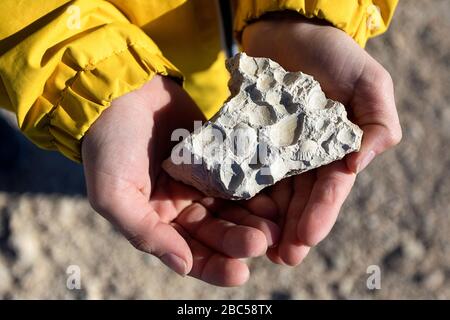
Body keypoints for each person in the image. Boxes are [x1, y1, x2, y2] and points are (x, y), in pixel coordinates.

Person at [0, 0, 402, 287]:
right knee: (119, 155)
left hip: (207, 88)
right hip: (103, 67)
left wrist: (301, 14)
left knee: (135, 160)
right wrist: (83, 79)